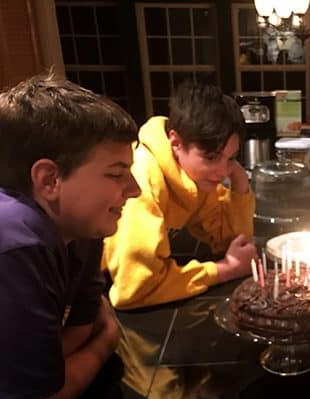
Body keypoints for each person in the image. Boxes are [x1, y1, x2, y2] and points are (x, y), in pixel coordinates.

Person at [0, 74, 141, 399]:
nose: (135, 190)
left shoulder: (81, 222)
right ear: (49, 180)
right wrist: (107, 341)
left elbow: (79, 325)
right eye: (116, 174)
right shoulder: (15, 241)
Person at [103, 81, 256, 310]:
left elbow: (232, 243)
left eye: (231, 158)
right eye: (212, 157)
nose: (223, 171)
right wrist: (223, 270)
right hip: (74, 290)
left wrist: (240, 184)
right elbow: (133, 290)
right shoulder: (141, 181)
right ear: (175, 142)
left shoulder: (194, 176)